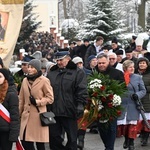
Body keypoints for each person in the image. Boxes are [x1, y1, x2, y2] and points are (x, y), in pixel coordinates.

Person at [47, 51, 88, 150]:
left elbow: (82, 89)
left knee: (72, 138)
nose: (59, 62)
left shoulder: (77, 72)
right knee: (54, 138)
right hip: (54, 111)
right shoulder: (52, 73)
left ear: (68, 59)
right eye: (57, 60)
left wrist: (80, 104)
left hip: (69, 110)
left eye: (61, 60)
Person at [19, 59, 54, 150]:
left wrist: (38, 102)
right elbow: (21, 99)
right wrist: (18, 114)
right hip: (26, 116)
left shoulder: (44, 80)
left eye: (32, 67)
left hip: (38, 116)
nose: (29, 69)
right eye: (28, 67)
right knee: (25, 143)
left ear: (37, 69)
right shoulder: (24, 81)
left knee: (40, 144)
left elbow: (50, 98)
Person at [95, 53, 125, 150]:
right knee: (101, 129)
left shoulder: (117, 73)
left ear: (108, 62)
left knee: (111, 129)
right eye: (99, 63)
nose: (101, 65)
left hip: (112, 106)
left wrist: (114, 97)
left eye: (103, 63)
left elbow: (123, 88)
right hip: (98, 106)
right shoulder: (94, 73)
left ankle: (109, 148)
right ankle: (107, 146)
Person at [117, 60, 146, 150]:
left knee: (132, 125)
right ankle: (127, 140)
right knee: (125, 125)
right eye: (130, 67)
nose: (132, 68)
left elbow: (143, 90)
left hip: (133, 104)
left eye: (133, 67)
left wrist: (137, 95)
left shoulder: (138, 77)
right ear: (125, 68)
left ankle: (131, 143)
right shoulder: (120, 77)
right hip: (123, 104)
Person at [0, 68, 20, 150]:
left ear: (5, 79)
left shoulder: (11, 94)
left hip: (6, 132)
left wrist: (13, 135)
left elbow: (15, 116)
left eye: (0, 76)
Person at [134, 57, 150, 146]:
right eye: (140, 63)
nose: (142, 64)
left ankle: (145, 137)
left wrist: (144, 89)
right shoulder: (135, 74)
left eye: (144, 63)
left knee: (146, 120)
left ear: (147, 65)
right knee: (139, 120)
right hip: (137, 99)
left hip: (147, 99)